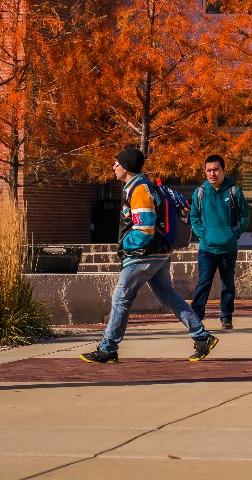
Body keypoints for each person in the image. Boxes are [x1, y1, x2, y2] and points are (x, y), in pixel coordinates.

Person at [82, 147, 217, 364]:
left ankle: (108, 348)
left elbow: (144, 229)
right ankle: (201, 336)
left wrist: (125, 246)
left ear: (125, 166)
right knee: (167, 294)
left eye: (116, 162)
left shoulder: (140, 191)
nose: (113, 166)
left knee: (121, 298)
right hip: (159, 254)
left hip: (143, 256)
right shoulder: (143, 187)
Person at [189, 154, 251, 331]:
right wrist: (204, 235)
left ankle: (226, 317)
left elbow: (244, 216)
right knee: (203, 283)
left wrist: (234, 234)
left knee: (228, 284)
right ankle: (196, 317)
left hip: (228, 248)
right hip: (206, 248)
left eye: (216, 169)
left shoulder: (234, 192)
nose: (212, 173)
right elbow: (194, 217)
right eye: (208, 170)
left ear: (224, 170)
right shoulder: (200, 193)